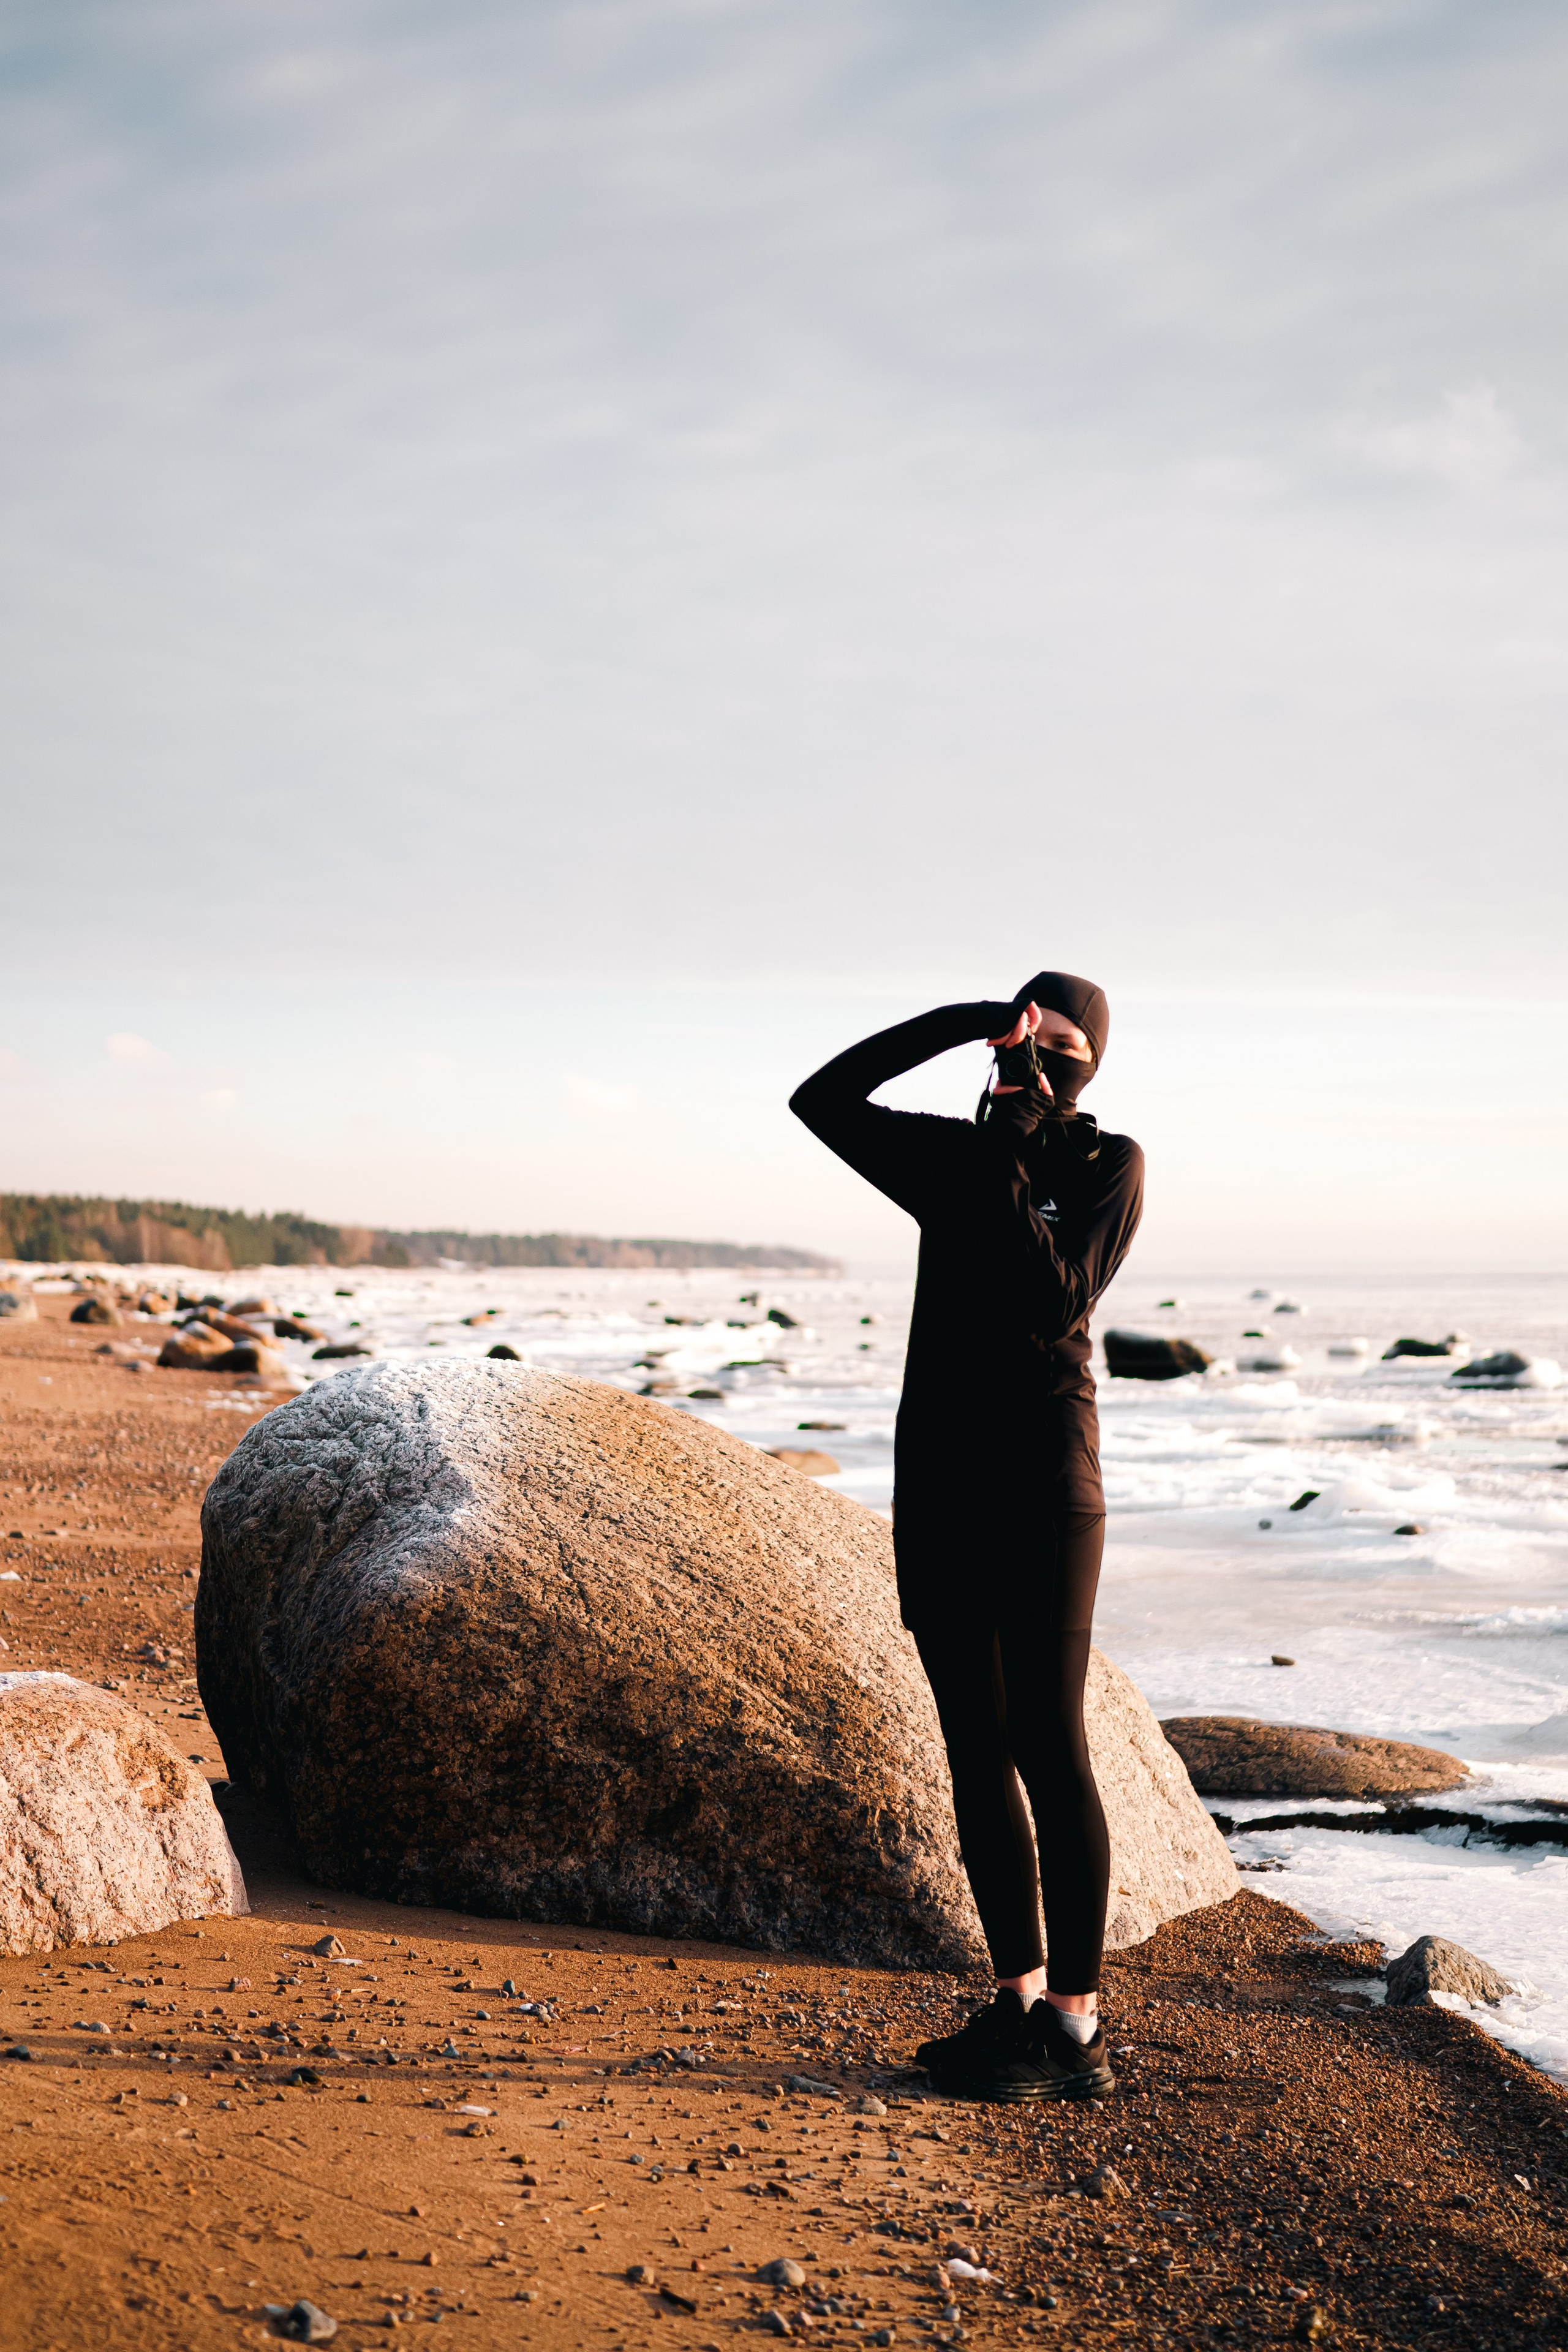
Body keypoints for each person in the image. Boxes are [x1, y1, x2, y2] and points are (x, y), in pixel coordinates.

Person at [789, 973, 1144, 2102]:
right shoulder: (953, 1157)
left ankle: (1077, 2035)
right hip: (941, 1487)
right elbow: (821, 1097)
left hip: (1045, 1488)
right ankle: (1018, 2000)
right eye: (1025, 1031)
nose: (1040, 1054)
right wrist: (956, 1024)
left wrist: (1018, 1138)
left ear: (1094, 1058)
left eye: (1062, 1038)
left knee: (1051, 1744)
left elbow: (1053, 1296)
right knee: (973, 1752)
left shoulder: (1106, 1166)